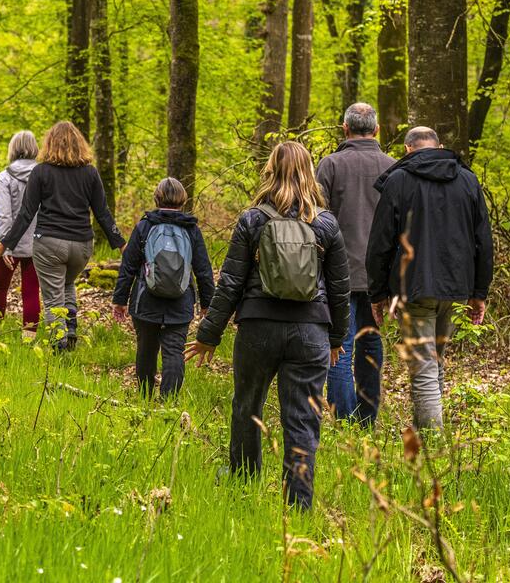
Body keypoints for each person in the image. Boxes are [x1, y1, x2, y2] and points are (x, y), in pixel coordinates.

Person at [186, 141, 350, 510]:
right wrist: (337, 337)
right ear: (310, 172)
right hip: (311, 333)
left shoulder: (253, 219)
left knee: (247, 406)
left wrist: (208, 335)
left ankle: (243, 480)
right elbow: (340, 289)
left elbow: (230, 281)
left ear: (270, 171)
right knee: (303, 418)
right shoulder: (326, 224)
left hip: (258, 328)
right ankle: (298, 501)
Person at [365, 126, 493, 432]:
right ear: (440, 146)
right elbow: (483, 241)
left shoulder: (399, 180)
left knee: (424, 368)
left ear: (408, 150)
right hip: (455, 287)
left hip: (415, 287)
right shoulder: (467, 180)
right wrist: (478, 292)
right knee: (434, 363)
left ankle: (433, 445)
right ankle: (429, 439)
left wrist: (378, 293)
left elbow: (380, 242)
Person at [0, 121, 125, 351]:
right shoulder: (90, 173)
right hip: (81, 246)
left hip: (49, 244)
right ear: (80, 144)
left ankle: (59, 346)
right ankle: (70, 327)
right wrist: (120, 243)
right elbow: (103, 213)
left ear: (49, 143)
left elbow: (26, 214)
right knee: (67, 283)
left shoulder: (42, 172)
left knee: (52, 297)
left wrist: (5, 244)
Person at [316, 103, 395, 427]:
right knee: (370, 342)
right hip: (380, 276)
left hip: (339, 272)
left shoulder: (330, 165)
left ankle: (346, 419)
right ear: (376, 130)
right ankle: (366, 419)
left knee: (340, 344)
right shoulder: (393, 167)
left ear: (345, 129)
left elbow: (315, 218)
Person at [112, 178, 215, 398]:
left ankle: (145, 398)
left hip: (145, 301)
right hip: (181, 302)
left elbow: (128, 267)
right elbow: (204, 270)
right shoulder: (191, 230)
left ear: (157, 198)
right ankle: (168, 403)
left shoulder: (145, 226)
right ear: (182, 200)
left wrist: (119, 300)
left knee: (146, 351)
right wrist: (207, 305)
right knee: (174, 352)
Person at [0, 130, 41, 327]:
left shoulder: (4, 177)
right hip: (36, 242)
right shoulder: (43, 175)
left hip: (7, 241)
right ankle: (29, 338)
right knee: (31, 290)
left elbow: (3, 215)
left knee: (0, 287)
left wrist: (4, 245)